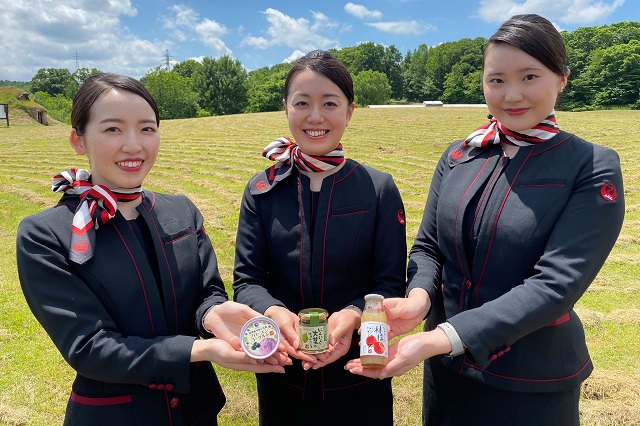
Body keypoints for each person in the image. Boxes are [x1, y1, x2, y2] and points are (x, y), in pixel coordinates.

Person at [346, 14, 625, 426]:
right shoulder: (460, 155)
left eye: (529, 76)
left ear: (562, 78)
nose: (511, 94)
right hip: (446, 372)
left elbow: (556, 285)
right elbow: (428, 247)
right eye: (496, 80)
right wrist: (419, 299)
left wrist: (442, 337)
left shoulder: (591, 166)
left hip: (530, 382)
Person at [16, 73, 289, 426]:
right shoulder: (44, 235)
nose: (134, 145)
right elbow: (88, 346)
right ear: (78, 140)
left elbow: (207, 292)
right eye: (113, 129)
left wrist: (213, 314)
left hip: (197, 413)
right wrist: (198, 349)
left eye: (147, 128)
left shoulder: (182, 212)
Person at [232, 50, 407, 425]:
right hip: (282, 373)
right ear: (285, 107)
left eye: (329, 103)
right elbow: (247, 281)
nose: (315, 117)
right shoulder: (262, 190)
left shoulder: (378, 189)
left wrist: (353, 315)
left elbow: (391, 283)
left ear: (350, 111)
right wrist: (275, 313)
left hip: (360, 373)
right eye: (302, 103)